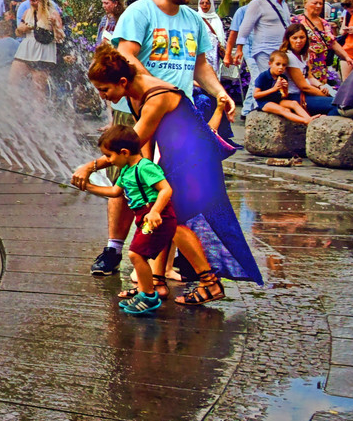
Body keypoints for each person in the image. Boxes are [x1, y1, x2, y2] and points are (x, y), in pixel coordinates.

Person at [85, 48, 260, 304]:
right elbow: (143, 148)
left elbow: (131, 143)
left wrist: (89, 167)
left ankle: (210, 283)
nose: (102, 96)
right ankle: (154, 284)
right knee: (163, 215)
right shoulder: (135, 93)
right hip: (176, 160)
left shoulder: (157, 96)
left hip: (197, 160)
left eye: (104, 89)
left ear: (122, 81)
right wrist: (145, 177)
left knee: (173, 220)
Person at [104, 0, 235, 275]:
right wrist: (157, 91)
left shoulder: (192, 19)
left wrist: (219, 91)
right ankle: (114, 248)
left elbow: (201, 65)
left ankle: (157, 262)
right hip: (136, 110)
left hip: (178, 116)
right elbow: (126, 55)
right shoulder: (140, 12)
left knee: (170, 187)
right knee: (127, 183)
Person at [70, 125, 179, 316]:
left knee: (136, 254)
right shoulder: (127, 171)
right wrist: (87, 186)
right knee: (138, 254)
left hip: (157, 217)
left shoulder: (145, 167)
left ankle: (148, 296)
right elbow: (114, 192)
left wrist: (154, 212)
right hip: (143, 217)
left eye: (109, 156)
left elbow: (166, 189)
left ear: (124, 152)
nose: (108, 161)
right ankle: (145, 293)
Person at [234, 0, 295, 107]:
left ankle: (275, 106)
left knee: (281, 81)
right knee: (265, 80)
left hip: (281, 51)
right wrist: (239, 49)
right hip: (264, 50)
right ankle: (260, 108)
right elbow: (245, 26)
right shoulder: (258, 2)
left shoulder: (283, 4)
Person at [10, 0, 64, 97]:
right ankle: (15, 108)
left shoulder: (53, 14)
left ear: (42, 1)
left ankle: (39, 114)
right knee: (12, 81)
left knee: (38, 91)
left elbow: (60, 37)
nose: (32, 3)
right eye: (30, 1)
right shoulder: (27, 12)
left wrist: (54, 25)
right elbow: (17, 32)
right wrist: (22, 29)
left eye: (34, 1)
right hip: (26, 50)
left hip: (43, 53)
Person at [277, 22, 338, 117]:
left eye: (302, 37)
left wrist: (321, 86)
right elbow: (303, 86)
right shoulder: (289, 57)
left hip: (306, 93)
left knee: (337, 102)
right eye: (294, 38)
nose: (298, 41)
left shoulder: (304, 54)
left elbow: (309, 76)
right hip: (294, 96)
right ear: (288, 39)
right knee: (335, 105)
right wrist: (324, 95)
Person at [291, 0, 347, 87]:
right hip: (304, 65)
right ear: (305, 4)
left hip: (321, 66)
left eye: (321, 3)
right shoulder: (296, 21)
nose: (318, 6)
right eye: (315, 3)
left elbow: (332, 42)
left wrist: (347, 57)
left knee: (321, 90)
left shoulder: (324, 23)